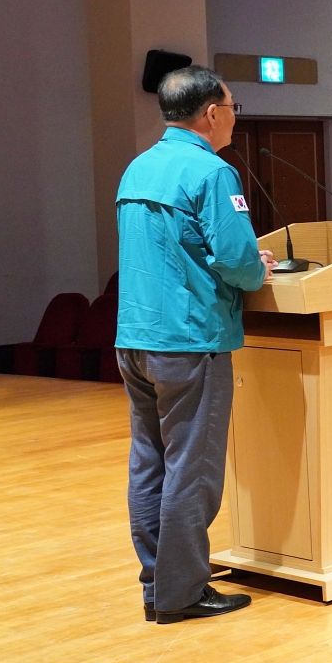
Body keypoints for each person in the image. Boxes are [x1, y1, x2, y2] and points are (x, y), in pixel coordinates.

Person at [116, 67, 271, 624]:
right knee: (193, 467)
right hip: (190, 338)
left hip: (134, 338)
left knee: (149, 462)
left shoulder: (139, 167)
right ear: (211, 114)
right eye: (232, 106)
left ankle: (158, 583)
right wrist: (259, 269)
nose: (235, 116)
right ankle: (182, 593)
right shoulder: (211, 171)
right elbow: (237, 262)